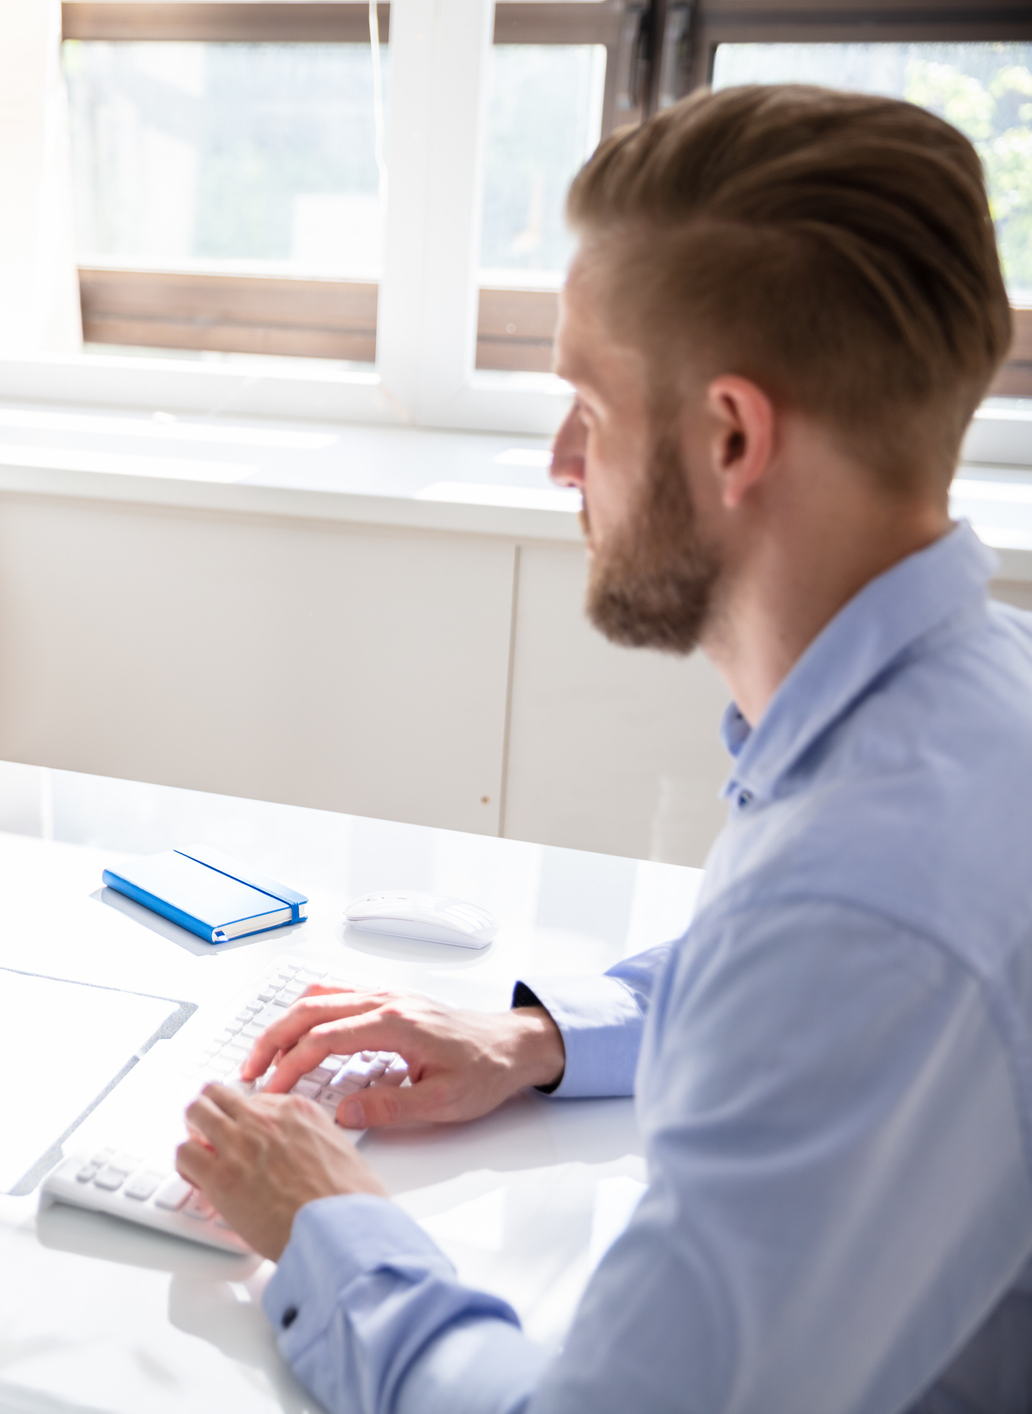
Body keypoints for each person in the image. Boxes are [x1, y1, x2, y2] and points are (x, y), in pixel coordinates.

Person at [174, 85, 1032, 1412]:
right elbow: (795, 994)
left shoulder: (858, 901)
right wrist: (543, 1037)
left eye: (587, 401)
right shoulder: (970, 704)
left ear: (732, 436)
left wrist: (331, 1222)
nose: (560, 461)